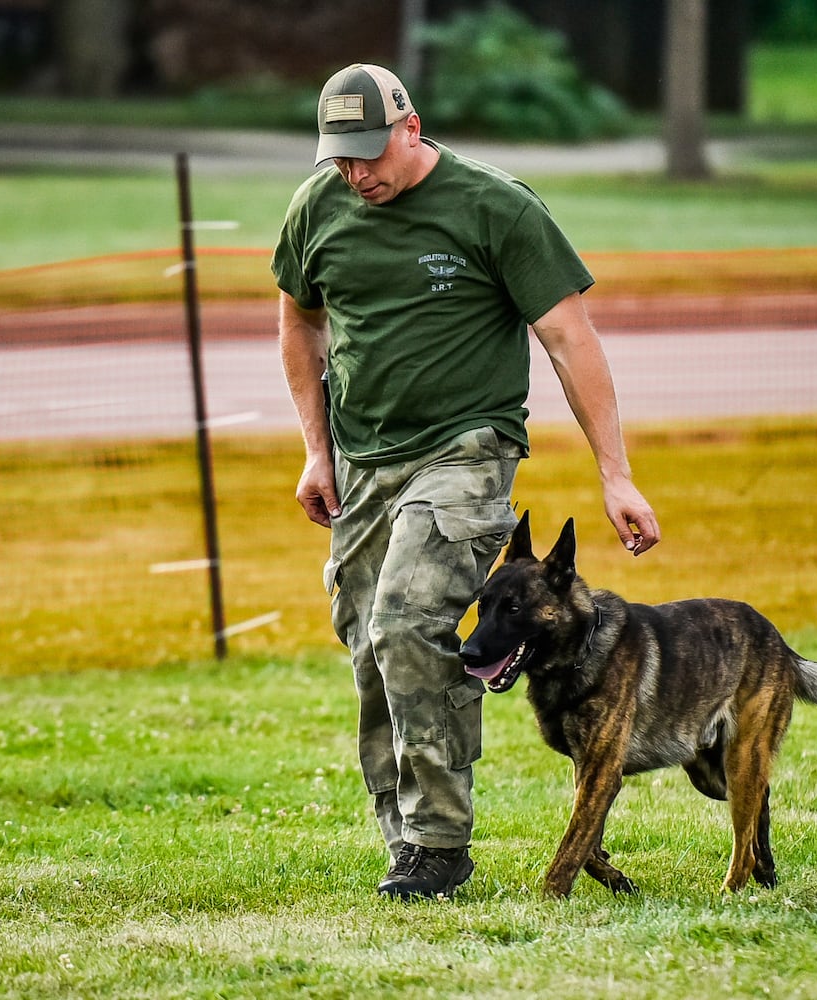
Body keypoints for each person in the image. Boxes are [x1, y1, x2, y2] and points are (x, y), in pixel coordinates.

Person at [273, 63, 660, 901]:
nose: (355, 174)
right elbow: (300, 323)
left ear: (410, 127)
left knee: (410, 618)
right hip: (363, 457)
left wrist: (615, 474)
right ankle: (405, 838)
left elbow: (570, 340)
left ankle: (440, 843)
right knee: (372, 645)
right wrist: (316, 448)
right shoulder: (319, 205)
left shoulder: (495, 207)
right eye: (339, 158)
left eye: (368, 154)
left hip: (466, 451)